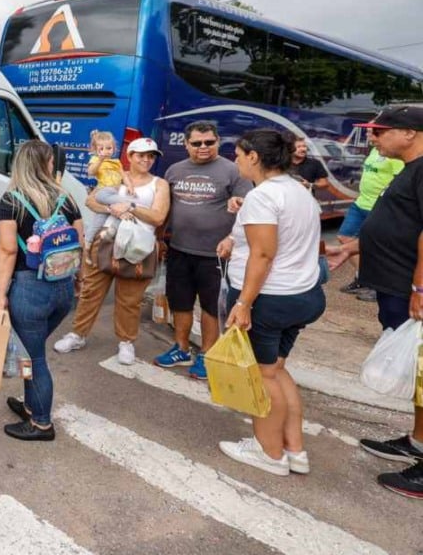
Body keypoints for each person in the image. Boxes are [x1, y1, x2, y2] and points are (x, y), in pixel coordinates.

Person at [214, 129, 325, 477]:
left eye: (238, 154)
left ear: (254, 158)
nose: (235, 160)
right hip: (302, 294)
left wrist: (244, 302)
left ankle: (270, 453)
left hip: (270, 299)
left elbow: (263, 253)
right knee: (277, 371)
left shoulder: (264, 196)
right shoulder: (297, 190)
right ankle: (294, 450)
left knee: (263, 377)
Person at [326, 105, 423, 498]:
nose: (373, 138)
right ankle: (418, 442)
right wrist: (352, 249)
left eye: (381, 131)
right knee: (419, 374)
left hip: (410, 289)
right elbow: (399, 224)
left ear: (411, 133)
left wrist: (420, 289)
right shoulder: (409, 170)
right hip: (396, 286)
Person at [0, 140, 83, 439]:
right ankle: (31, 405)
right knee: (29, 352)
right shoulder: (66, 198)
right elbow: (81, 244)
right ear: (46, 164)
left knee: (33, 358)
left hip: (30, 290)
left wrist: (0, 296)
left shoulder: (12, 200)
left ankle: (42, 423)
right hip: (62, 290)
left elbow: (7, 251)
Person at [54, 137, 169, 364]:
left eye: (151, 156)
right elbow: (91, 201)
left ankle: (126, 342)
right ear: (130, 156)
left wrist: (131, 207)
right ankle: (78, 334)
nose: (146, 160)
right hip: (107, 240)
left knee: (130, 299)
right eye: (141, 155)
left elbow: (158, 217)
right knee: (90, 292)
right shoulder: (116, 175)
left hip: (138, 246)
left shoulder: (159, 184)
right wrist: (113, 208)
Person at [154, 121, 251, 380]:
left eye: (209, 142)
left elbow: (248, 211)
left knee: (210, 307)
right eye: (197, 143)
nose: (203, 147)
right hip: (179, 250)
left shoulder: (233, 171)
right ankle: (181, 349)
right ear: (186, 144)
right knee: (180, 301)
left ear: (218, 141)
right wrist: (160, 238)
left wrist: (232, 238)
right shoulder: (174, 171)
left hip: (216, 256)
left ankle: (207, 354)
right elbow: (165, 209)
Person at [337, 141, 404, 301]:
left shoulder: (393, 153)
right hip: (360, 203)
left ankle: (378, 286)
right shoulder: (375, 149)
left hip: (379, 205)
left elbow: (398, 181)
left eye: (373, 130)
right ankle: (363, 279)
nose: (369, 133)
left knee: (379, 246)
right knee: (345, 238)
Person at [83, 130, 125, 248]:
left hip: (113, 192)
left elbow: (123, 176)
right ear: (95, 150)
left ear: (114, 148)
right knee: (121, 208)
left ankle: (94, 237)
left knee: (102, 218)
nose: (106, 151)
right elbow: (91, 172)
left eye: (109, 148)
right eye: (101, 149)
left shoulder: (116, 162)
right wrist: (100, 160)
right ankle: (88, 240)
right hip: (104, 191)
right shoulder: (96, 160)